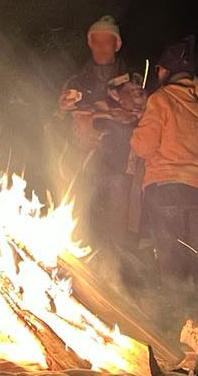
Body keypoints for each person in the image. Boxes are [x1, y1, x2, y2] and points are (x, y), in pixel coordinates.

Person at [131, 36, 198, 328]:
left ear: (167, 69)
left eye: (160, 68)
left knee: (171, 258)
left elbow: (143, 146)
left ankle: (176, 322)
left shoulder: (160, 100)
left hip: (167, 188)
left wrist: (134, 131)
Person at [58, 15, 146, 255]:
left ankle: (119, 274)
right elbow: (58, 123)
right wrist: (62, 111)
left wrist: (108, 112)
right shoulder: (77, 81)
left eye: (106, 41)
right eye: (95, 42)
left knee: (119, 234)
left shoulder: (134, 80)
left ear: (117, 44)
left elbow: (144, 116)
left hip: (121, 166)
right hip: (84, 166)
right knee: (83, 231)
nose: (101, 47)